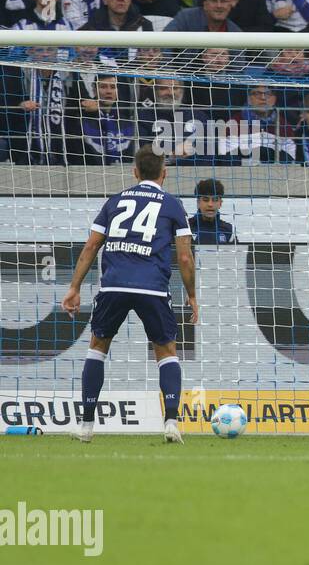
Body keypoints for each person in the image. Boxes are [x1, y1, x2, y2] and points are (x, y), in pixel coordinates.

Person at [60, 145, 196, 444]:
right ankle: (171, 422)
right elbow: (185, 258)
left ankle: (85, 427)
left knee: (98, 347)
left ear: (135, 173)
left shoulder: (115, 201)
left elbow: (91, 246)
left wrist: (74, 287)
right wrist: (192, 294)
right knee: (166, 351)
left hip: (114, 285)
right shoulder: (172, 204)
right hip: (152, 287)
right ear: (165, 173)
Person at [164, 0, 243, 32]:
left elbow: (239, 57)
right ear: (205, 5)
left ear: (229, 7)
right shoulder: (186, 17)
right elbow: (164, 41)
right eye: (214, 1)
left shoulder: (235, 32)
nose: (219, 6)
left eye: (223, 1)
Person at [186, 179, 237, 245]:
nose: (210, 204)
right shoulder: (187, 228)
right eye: (205, 200)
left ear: (220, 203)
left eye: (215, 200)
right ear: (198, 203)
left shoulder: (228, 230)